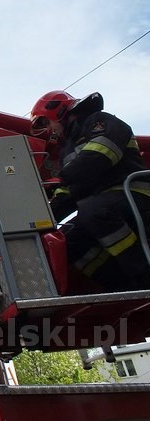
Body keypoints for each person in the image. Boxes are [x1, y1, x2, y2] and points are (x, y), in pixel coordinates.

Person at [30, 90, 150, 291]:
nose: (49, 130)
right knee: (66, 243)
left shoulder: (100, 122)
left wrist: (62, 178)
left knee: (94, 211)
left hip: (137, 193)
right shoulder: (67, 151)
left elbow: (100, 156)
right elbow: (70, 191)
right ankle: (122, 287)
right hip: (105, 202)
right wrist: (39, 223)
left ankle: (143, 274)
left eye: (46, 122)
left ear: (57, 111)